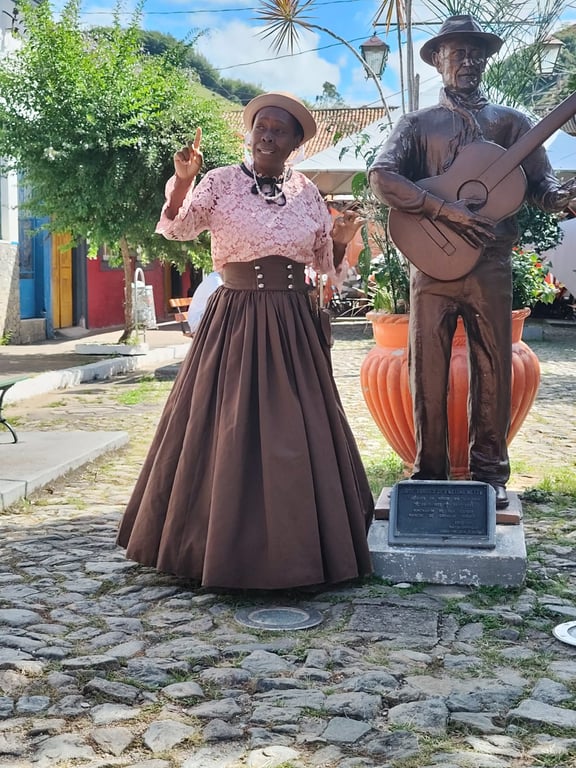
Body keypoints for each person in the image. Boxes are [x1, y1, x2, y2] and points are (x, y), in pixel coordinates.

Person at [117, 91, 374, 590]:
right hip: (234, 320)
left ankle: (306, 549)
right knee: (223, 423)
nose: (268, 136)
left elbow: (326, 268)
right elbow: (177, 228)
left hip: (294, 323)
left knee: (297, 428)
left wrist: (341, 238)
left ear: (296, 143)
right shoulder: (219, 182)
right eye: (261, 127)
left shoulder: (308, 194)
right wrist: (183, 181)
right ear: (250, 133)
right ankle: (210, 546)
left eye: (280, 130)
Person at [369, 15, 576, 509]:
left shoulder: (512, 124)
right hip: (431, 264)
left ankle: (490, 475)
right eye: (457, 52)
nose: (468, 61)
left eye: (476, 53)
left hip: (491, 264)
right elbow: (381, 177)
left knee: (493, 367)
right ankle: (428, 472)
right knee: (427, 370)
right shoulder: (417, 125)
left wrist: (563, 198)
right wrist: (444, 210)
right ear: (438, 60)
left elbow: (541, 187)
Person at [185, 270, 223, 334]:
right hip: (199, 323)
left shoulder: (217, 278)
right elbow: (221, 305)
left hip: (202, 319)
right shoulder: (216, 280)